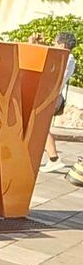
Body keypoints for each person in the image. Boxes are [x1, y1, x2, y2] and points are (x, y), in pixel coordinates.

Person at [42, 30, 78, 172]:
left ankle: (54, 158)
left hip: (49, 97)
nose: (53, 45)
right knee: (41, 128)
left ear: (62, 45)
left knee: (41, 128)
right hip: (54, 97)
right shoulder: (70, 59)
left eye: (55, 43)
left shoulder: (63, 59)